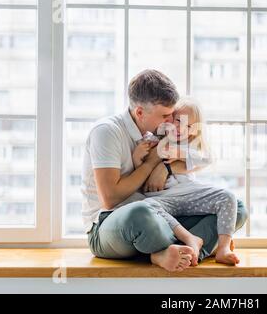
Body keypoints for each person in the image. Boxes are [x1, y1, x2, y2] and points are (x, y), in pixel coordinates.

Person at [81, 69, 248, 272]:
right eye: (166, 116)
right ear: (140, 112)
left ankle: (178, 252)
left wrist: (165, 166)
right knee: (141, 211)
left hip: (160, 214)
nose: (171, 122)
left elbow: (201, 157)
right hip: (112, 222)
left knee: (236, 208)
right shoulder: (107, 131)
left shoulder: (156, 135)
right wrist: (152, 162)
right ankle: (181, 249)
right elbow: (111, 199)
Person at [134, 100, 240, 266]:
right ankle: (191, 240)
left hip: (189, 195)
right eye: (178, 121)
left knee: (228, 197)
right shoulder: (155, 139)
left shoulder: (189, 145)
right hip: (163, 198)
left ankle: (223, 248)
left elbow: (208, 158)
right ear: (169, 117)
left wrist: (179, 153)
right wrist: (138, 154)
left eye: (189, 126)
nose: (181, 129)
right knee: (145, 205)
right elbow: (138, 168)